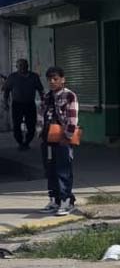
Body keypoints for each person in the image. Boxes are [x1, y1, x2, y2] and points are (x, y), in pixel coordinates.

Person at [39, 67, 78, 216]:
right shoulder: (47, 96)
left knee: (63, 170)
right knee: (50, 169)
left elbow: (72, 118)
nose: (52, 82)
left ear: (63, 79)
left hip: (63, 139)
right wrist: (39, 134)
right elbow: (40, 115)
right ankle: (54, 199)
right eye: (49, 79)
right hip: (47, 138)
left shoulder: (69, 96)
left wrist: (67, 137)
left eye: (55, 79)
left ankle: (66, 201)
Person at [3, 59, 44, 150]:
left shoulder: (34, 76)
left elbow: (40, 90)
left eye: (24, 65)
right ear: (17, 67)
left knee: (31, 125)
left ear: (27, 66)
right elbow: (6, 91)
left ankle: (27, 142)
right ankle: (20, 142)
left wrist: (43, 101)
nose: (22, 67)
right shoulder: (12, 77)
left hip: (30, 104)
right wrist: (5, 103)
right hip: (17, 105)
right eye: (20, 65)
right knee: (17, 125)